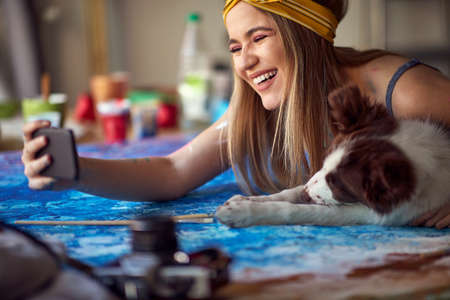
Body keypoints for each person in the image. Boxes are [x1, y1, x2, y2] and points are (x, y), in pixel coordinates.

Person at [22, 0, 450, 228]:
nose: (244, 62)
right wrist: (77, 171)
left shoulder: (401, 91)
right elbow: (172, 171)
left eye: (258, 37)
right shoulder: (254, 107)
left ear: (303, 35)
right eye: (234, 47)